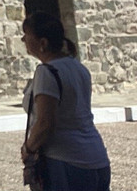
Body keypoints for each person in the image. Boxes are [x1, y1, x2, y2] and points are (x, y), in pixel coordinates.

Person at [21, 12, 111, 191]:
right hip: (96, 156)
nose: (23, 40)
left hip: (64, 160)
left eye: (27, 35)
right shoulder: (78, 68)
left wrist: (28, 148)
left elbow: (46, 122)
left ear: (43, 43)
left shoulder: (47, 72)